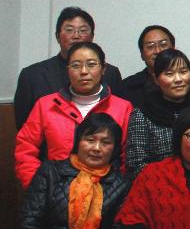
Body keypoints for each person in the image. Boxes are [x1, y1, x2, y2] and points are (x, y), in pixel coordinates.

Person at [16, 41, 133, 189]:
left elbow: (129, 157)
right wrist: (39, 187)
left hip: (107, 192)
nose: (84, 71)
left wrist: (117, 189)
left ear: (103, 69)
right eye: (76, 65)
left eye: (91, 64)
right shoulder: (45, 105)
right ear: (68, 70)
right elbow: (25, 149)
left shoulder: (123, 108)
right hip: (54, 190)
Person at [14, 6, 123, 130]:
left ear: (92, 37)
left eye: (83, 30)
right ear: (57, 36)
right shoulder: (32, 75)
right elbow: (24, 125)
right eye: (69, 30)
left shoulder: (110, 72)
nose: (76, 35)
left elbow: (117, 119)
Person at [125, 48, 190, 180]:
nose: (178, 79)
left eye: (183, 72)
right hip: (157, 185)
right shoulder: (142, 115)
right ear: (156, 79)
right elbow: (136, 164)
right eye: (169, 74)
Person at [114, 25, 175, 108]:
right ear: (142, 55)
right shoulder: (126, 88)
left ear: (173, 49)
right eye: (150, 47)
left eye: (163, 45)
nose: (158, 51)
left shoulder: (188, 82)